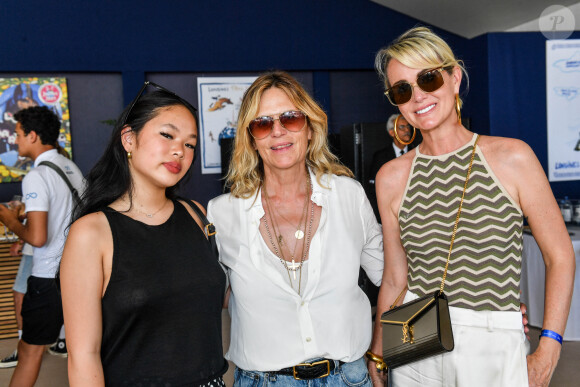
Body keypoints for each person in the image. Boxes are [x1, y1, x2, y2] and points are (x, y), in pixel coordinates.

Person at [367, 26, 575, 387]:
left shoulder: (512, 157)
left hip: (493, 341)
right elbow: (395, 277)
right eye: (403, 89)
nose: (418, 97)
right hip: (415, 336)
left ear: (454, 77)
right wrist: (378, 350)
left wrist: (550, 347)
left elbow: (560, 256)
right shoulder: (391, 176)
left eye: (428, 79)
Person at [207, 71, 384, 386]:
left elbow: (390, 276)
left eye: (290, 119)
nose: (277, 132)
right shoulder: (223, 213)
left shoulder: (348, 195)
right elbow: (201, 298)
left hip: (348, 378)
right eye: (263, 123)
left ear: (310, 129)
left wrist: (382, 352)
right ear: (251, 139)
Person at [60, 82, 228, 386]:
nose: (179, 150)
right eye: (167, 135)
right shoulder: (92, 233)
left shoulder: (195, 213)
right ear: (129, 139)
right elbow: (84, 354)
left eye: (190, 144)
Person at [0, 106, 85, 387]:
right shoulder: (71, 168)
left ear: (34, 136)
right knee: (83, 351)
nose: (15, 140)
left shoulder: (36, 176)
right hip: (79, 275)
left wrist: (10, 220)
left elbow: (38, 238)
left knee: (29, 351)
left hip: (48, 278)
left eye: (19, 134)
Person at [367, 113, 421, 221]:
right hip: (389, 214)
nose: (407, 130)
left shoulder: (418, 153)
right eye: (402, 127)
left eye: (408, 126)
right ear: (392, 132)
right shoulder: (380, 157)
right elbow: (373, 190)